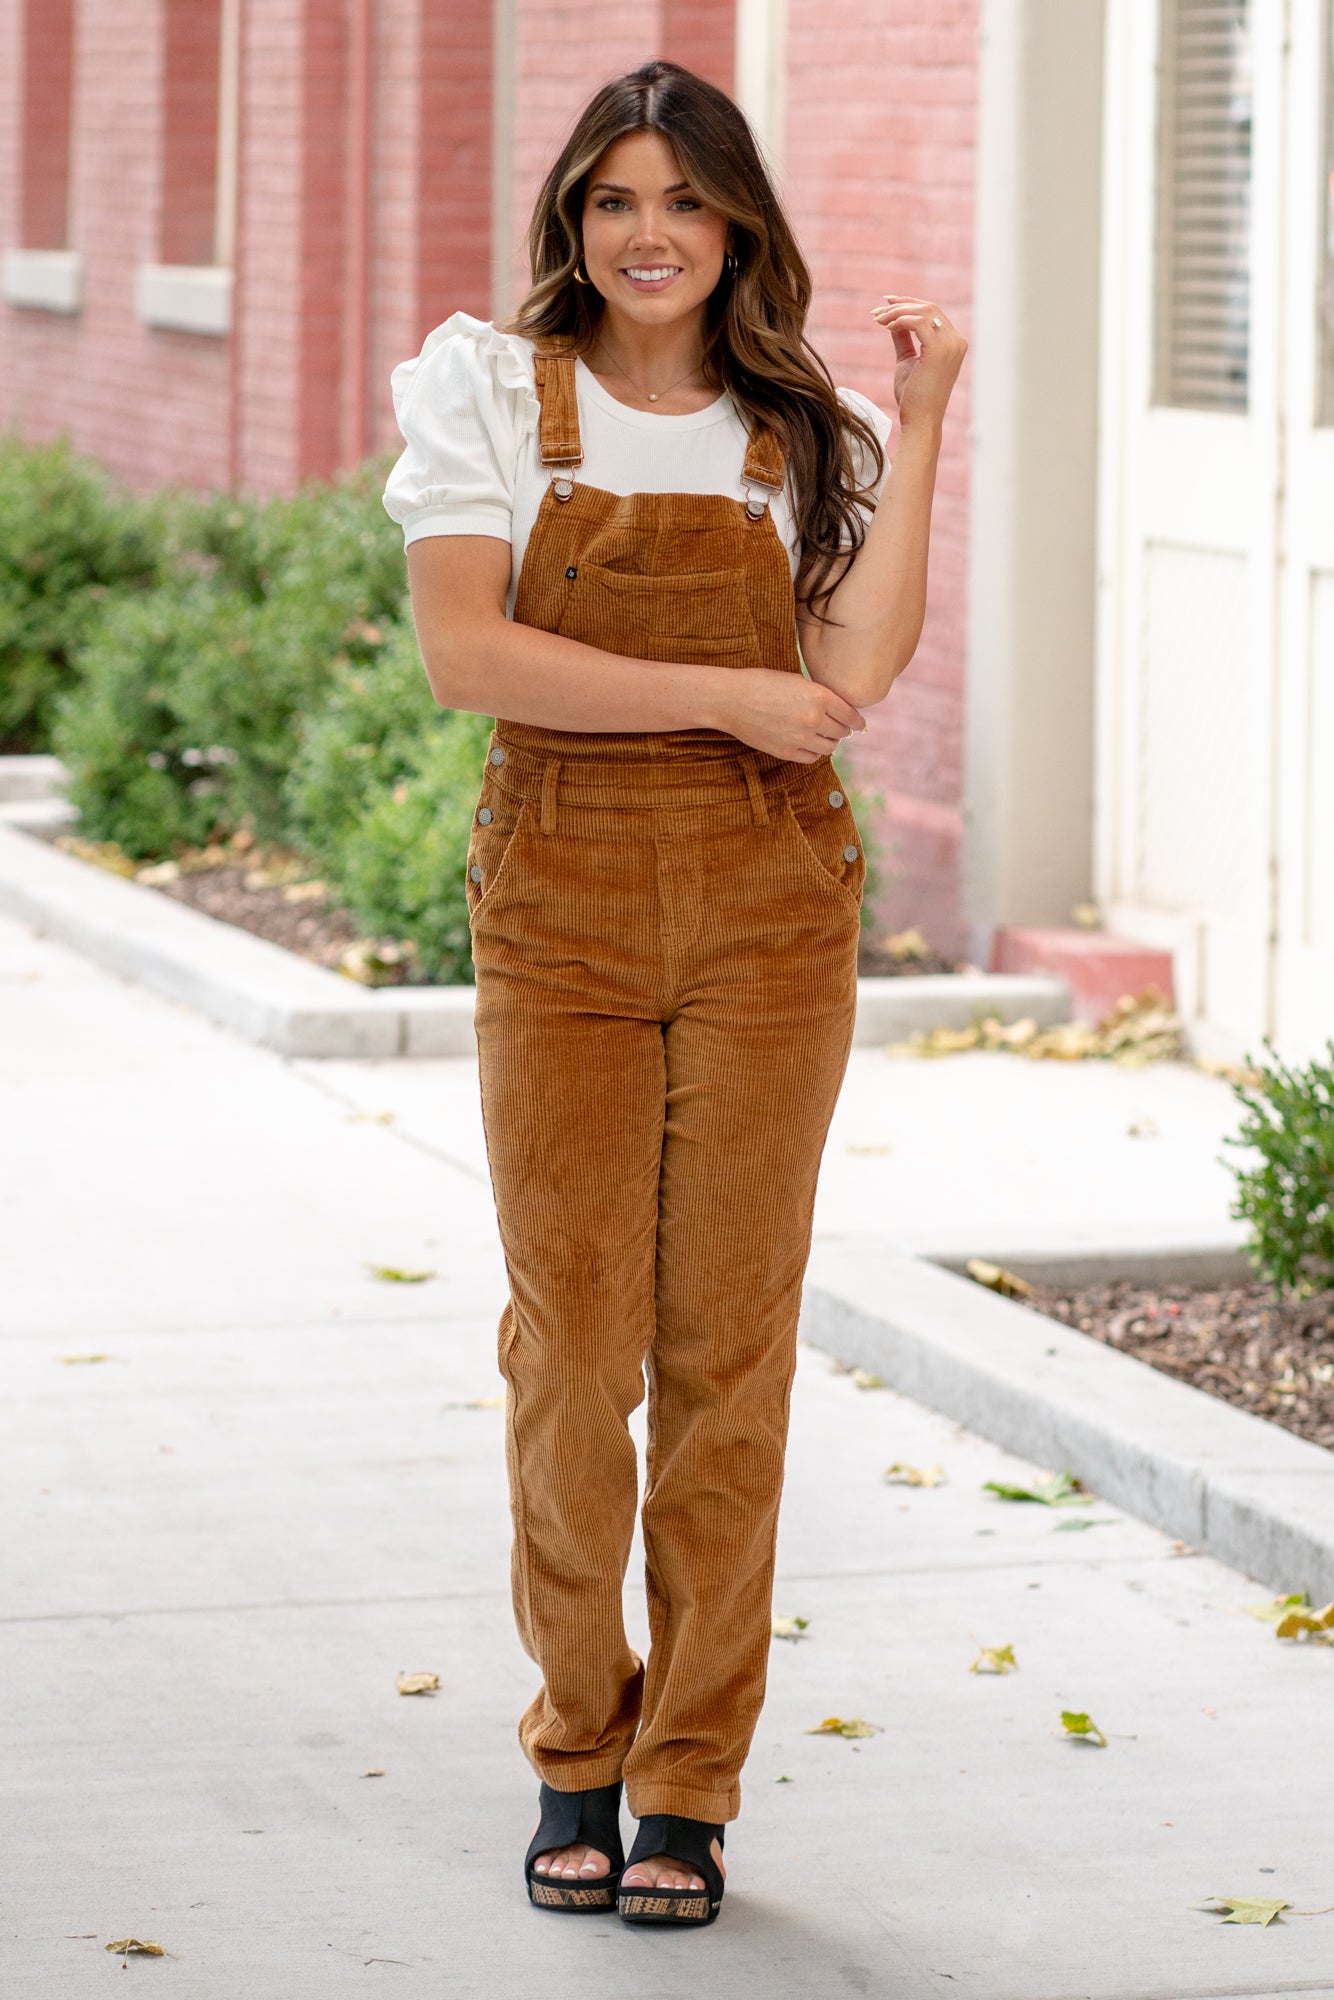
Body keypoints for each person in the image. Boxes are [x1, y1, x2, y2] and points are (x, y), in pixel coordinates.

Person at [383, 58, 965, 1930]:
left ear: (737, 229)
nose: (649, 236)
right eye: (615, 200)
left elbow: (853, 659)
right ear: (574, 220)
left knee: (730, 1359)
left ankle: (688, 1783)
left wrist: (927, 416)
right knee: (572, 1352)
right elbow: (469, 655)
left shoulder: (803, 427)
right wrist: (723, 693)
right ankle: (576, 1740)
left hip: (767, 910)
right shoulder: (487, 389)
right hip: (552, 900)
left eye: (685, 204)